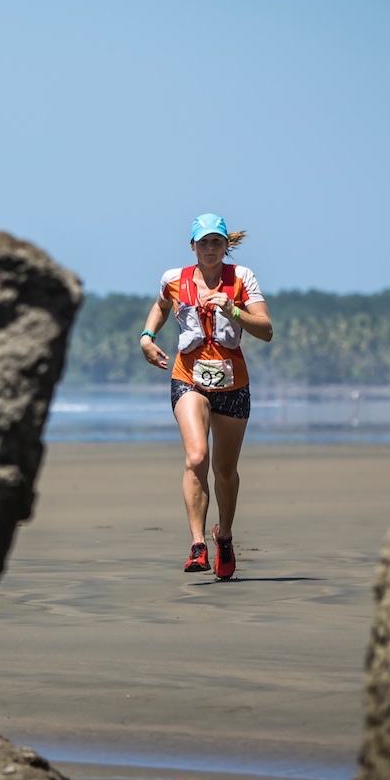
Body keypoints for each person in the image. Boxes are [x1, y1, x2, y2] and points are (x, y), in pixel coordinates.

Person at [139, 214, 273, 578]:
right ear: (192, 246)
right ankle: (197, 544)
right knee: (197, 456)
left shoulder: (242, 278)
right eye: (203, 242)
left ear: (225, 246)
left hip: (232, 385)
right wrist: (147, 337)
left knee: (224, 472)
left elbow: (266, 330)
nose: (210, 248)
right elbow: (160, 307)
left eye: (216, 242)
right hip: (188, 378)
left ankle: (223, 536)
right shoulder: (174, 279)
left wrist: (233, 309)